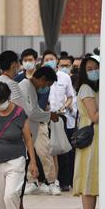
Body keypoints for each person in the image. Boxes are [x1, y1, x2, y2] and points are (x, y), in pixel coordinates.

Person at [0, 51, 38, 209]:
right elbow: (24, 111)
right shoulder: (13, 85)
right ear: (13, 64)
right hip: (14, 140)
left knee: (1, 186)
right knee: (15, 184)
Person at [74, 55, 105, 209]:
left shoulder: (96, 88)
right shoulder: (86, 88)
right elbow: (94, 116)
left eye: (96, 67)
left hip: (98, 137)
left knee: (95, 178)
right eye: (89, 68)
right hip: (91, 138)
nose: (94, 71)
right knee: (89, 178)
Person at [20, 66, 61, 195]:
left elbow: (35, 109)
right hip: (26, 127)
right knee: (28, 157)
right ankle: (31, 181)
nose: (46, 88)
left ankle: (51, 181)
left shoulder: (31, 88)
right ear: (42, 79)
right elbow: (31, 112)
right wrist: (49, 116)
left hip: (34, 126)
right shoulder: (25, 86)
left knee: (44, 153)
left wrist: (48, 115)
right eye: (47, 84)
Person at [56, 54, 80, 190]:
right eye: (62, 66)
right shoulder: (55, 84)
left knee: (70, 155)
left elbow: (77, 112)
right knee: (60, 154)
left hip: (71, 125)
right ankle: (61, 180)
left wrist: (69, 107)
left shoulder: (73, 88)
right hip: (59, 123)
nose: (64, 68)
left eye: (67, 66)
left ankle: (69, 181)